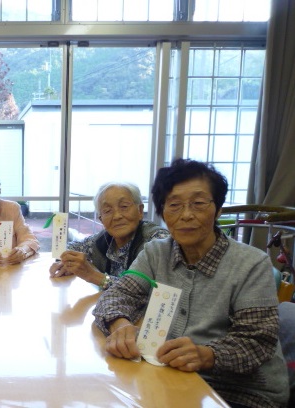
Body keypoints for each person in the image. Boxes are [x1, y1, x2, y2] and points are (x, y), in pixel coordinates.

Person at [93, 158, 288, 408]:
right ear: (163, 212)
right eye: (174, 205)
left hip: (241, 392)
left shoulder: (252, 264)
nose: (186, 215)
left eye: (198, 203)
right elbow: (117, 295)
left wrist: (207, 355)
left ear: (218, 209)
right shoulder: (156, 253)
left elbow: (256, 342)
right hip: (171, 376)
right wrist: (121, 325)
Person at [49, 182, 169, 289]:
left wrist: (95, 276)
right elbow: (72, 247)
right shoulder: (104, 239)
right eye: (107, 211)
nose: (117, 216)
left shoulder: (158, 240)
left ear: (140, 211)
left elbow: (152, 290)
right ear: (101, 219)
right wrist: (66, 262)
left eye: (124, 206)